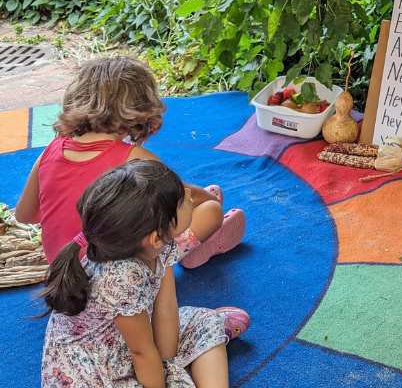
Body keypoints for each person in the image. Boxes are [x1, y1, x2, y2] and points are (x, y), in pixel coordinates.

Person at [15, 57, 245, 268]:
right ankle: (198, 249)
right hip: (118, 274)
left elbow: (25, 215)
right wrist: (207, 198)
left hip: (62, 269)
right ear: (141, 109)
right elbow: (184, 197)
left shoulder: (53, 149)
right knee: (210, 210)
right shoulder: (135, 158)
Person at [41, 159, 249, 388]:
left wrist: (169, 362)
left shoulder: (156, 245)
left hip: (129, 343)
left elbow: (166, 309)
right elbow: (141, 353)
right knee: (169, 366)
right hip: (96, 374)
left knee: (206, 321)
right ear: (156, 236)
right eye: (181, 200)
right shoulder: (121, 279)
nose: (190, 194)